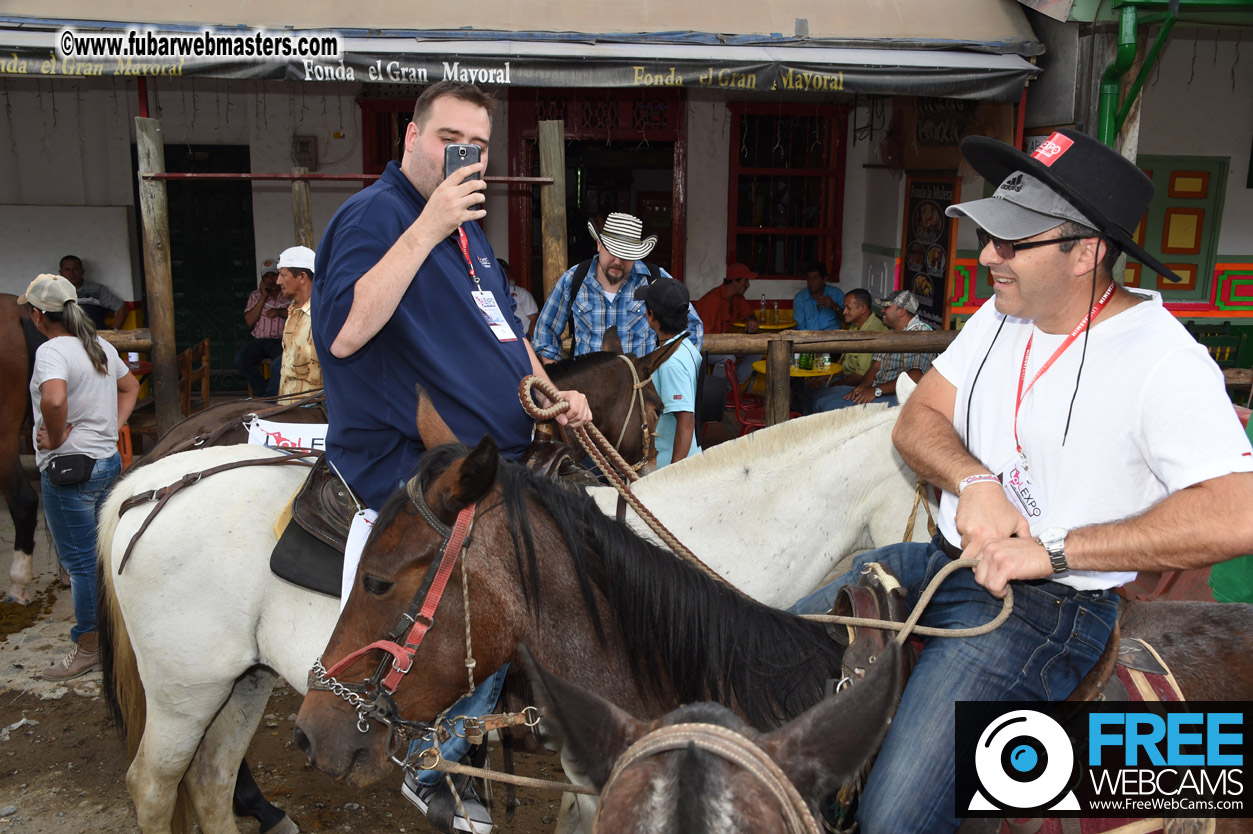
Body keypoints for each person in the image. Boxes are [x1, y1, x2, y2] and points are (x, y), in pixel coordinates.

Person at [790, 128, 1253, 833]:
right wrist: (974, 480)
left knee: (892, 820)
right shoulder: (1001, 314)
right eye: (988, 236)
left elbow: (1235, 512)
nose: (987, 256)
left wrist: (1053, 550)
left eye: (1012, 242)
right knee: (756, 660)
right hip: (942, 563)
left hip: (1049, 609)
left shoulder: (1164, 361)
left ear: (1086, 252)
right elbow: (917, 419)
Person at [312, 80, 591, 834]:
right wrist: (428, 224)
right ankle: (427, 762)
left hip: (486, 454)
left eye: (477, 146)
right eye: (448, 139)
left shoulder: (468, 230)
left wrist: (550, 392)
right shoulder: (375, 215)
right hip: (404, 457)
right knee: (501, 581)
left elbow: (507, 333)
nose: (464, 156)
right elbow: (344, 331)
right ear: (410, 137)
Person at [21, 274, 138, 681]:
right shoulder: (99, 344)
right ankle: (115, 634)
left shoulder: (52, 351)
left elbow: (54, 400)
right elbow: (130, 387)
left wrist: (55, 437)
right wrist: (109, 428)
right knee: (104, 555)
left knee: (82, 563)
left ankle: (90, 646)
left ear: (39, 315)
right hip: (105, 461)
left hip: (69, 468)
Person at [532, 212, 703, 360]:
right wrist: (554, 377)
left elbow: (693, 328)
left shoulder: (655, 279)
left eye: (626, 255)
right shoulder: (574, 279)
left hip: (639, 386)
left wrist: (668, 373)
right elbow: (546, 329)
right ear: (599, 245)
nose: (618, 261)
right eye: (613, 252)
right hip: (587, 386)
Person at [811, 289, 934, 410]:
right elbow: (875, 367)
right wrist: (862, 388)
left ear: (901, 311)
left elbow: (915, 376)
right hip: (879, 390)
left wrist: (876, 391)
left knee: (827, 405)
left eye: (887, 307)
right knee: (819, 397)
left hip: (899, 398)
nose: (882, 310)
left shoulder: (921, 333)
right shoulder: (890, 333)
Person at [637, 277, 702, 467]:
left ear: (651, 316)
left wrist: (674, 472)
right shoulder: (686, 345)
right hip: (689, 454)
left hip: (668, 463)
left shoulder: (670, 363)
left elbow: (686, 420)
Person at [695, 262, 761, 388]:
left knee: (756, 353)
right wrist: (730, 348)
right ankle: (714, 392)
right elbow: (705, 339)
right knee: (728, 358)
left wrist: (751, 320)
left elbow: (749, 314)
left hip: (724, 346)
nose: (748, 285)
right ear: (735, 281)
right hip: (703, 348)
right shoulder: (713, 299)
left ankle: (730, 388)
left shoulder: (737, 298)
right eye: (745, 281)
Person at [275, 245, 322, 397]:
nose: (278, 281)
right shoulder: (292, 312)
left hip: (313, 408)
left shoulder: (321, 314)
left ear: (302, 277)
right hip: (288, 405)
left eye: (283, 275)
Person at [236, 268, 289, 396]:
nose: (271, 280)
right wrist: (263, 297)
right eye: (267, 276)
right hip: (259, 341)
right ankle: (264, 393)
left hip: (280, 341)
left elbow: (294, 314)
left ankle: (270, 396)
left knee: (279, 364)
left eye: (273, 275)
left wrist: (278, 312)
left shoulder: (287, 293)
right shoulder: (255, 295)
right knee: (240, 360)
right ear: (263, 280)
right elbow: (249, 321)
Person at [58, 255, 128, 330]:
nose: (72, 273)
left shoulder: (96, 290)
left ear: (82, 271)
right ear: (61, 273)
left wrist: (114, 330)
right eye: (67, 270)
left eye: (76, 269)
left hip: (93, 335)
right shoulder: (55, 292)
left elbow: (122, 308)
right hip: (65, 335)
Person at [791, 261, 844, 331]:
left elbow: (847, 320)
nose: (810, 281)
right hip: (809, 336)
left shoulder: (836, 294)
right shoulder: (800, 298)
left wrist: (834, 306)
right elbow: (799, 326)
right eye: (808, 278)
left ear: (824, 280)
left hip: (833, 336)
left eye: (815, 278)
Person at [498, 259, 538, 338]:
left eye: (505, 273)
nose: (502, 276)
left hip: (523, 339)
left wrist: (528, 337)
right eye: (499, 273)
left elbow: (534, 319)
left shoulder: (521, 293)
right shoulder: (486, 294)